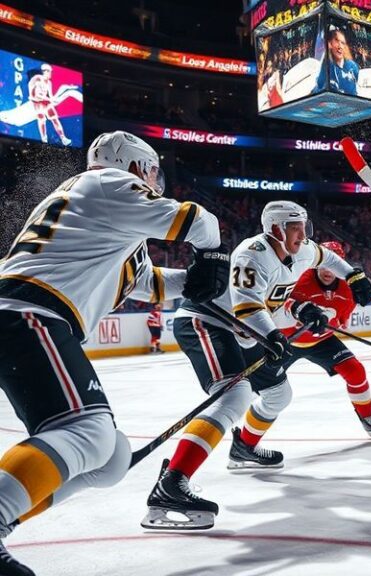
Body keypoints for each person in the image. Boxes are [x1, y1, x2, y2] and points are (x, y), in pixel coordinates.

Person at [0, 130, 229, 574]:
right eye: (151, 171)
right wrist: (214, 257)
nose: (154, 181)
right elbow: (199, 222)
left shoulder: (101, 213)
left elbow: (150, 283)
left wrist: (201, 281)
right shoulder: (106, 182)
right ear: (137, 165)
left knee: (110, 459)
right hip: (30, 312)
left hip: (25, 313)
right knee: (88, 431)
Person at [143, 202, 371, 530]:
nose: (303, 234)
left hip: (247, 330)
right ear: (277, 228)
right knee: (233, 396)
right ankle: (172, 483)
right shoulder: (252, 254)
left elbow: (325, 256)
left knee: (279, 394)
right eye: (296, 227)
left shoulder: (303, 251)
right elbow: (248, 307)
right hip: (208, 321)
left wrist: (351, 275)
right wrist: (275, 335)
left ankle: (244, 448)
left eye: (304, 225)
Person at [281, 241, 371, 439]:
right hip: (285, 340)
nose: (327, 270)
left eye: (333, 264)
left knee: (355, 371)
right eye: (323, 264)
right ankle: (245, 438)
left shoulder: (348, 289)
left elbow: (340, 319)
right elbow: (275, 302)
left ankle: (368, 418)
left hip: (322, 341)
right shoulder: (298, 278)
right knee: (261, 388)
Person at [28, 64, 71, 146]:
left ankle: (63, 138)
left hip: (45, 101)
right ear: (45, 72)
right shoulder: (37, 78)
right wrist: (48, 99)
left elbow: (50, 96)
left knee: (54, 118)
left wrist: (54, 99)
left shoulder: (49, 82)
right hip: (37, 102)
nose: (51, 73)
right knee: (41, 119)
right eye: (49, 72)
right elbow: (35, 95)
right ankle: (44, 139)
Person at [313, 27, 359, 96]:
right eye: (337, 41)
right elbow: (318, 87)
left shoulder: (353, 67)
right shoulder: (326, 65)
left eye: (343, 43)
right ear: (330, 44)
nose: (340, 46)